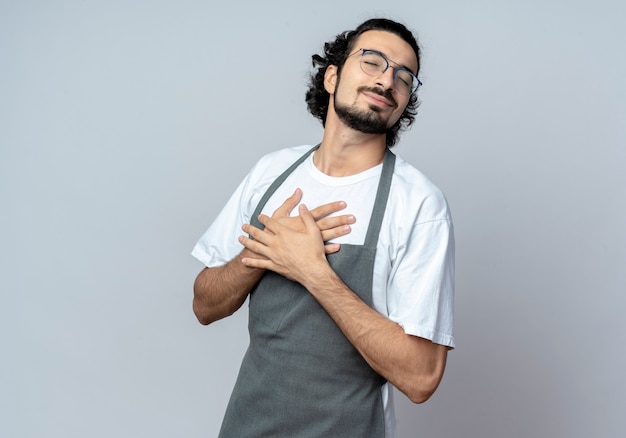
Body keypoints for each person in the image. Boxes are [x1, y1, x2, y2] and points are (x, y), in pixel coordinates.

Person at [191, 17, 455, 438]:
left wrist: (313, 271)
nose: (388, 80)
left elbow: (421, 377)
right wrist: (259, 253)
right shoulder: (272, 172)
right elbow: (204, 304)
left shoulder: (418, 204)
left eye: (404, 76)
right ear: (332, 76)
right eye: (372, 62)